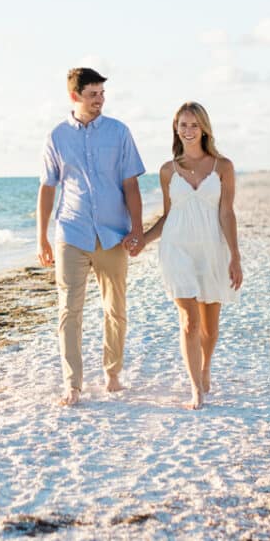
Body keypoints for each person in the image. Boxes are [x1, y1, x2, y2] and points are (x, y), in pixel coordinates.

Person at [37, 67, 146, 406]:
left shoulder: (119, 132)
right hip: (71, 231)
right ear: (75, 97)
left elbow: (130, 184)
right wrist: (41, 237)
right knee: (69, 310)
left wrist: (138, 229)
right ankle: (73, 383)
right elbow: (47, 187)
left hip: (113, 234)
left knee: (115, 307)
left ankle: (112, 373)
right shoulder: (57, 137)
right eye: (93, 95)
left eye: (101, 94)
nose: (100, 100)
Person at [141, 102, 243, 409]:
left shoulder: (222, 166)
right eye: (183, 125)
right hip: (177, 249)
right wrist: (142, 240)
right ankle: (195, 388)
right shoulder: (167, 171)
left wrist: (235, 257)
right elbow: (168, 216)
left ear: (204, 128)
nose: (188, 130)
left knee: (210, 327)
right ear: (176, 128)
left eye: (193, 125)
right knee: (189, 321)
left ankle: (205, 367)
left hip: (213, 249)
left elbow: (227, 212)